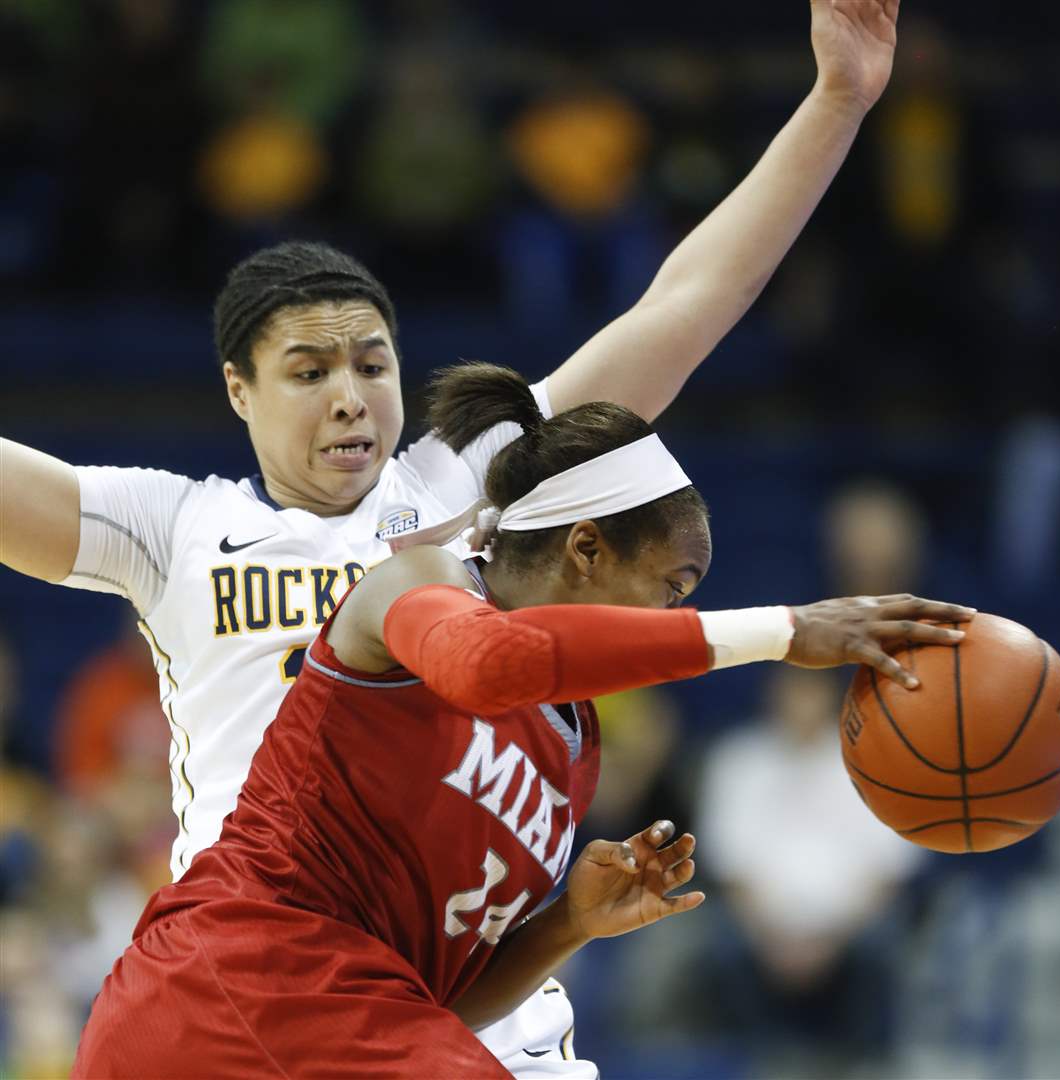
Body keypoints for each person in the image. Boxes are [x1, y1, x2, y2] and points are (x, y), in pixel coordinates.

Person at [0, 2, 903, 1071]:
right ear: (238, 392)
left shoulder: (468, 488)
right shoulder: (177, 524)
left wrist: (838, 100)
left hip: (463, 998)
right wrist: (778, 630)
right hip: (273, 978)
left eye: (372, 366)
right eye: (309, 372)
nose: (350, 398)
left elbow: (693, 300)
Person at [72, 366, 973, 1078]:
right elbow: (487, 664)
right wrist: (785, 630)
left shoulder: (574, 747)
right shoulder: (419, 582)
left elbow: (438, 1004)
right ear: (585, 547)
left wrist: (565, 926)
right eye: (671, 589)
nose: (669, 623)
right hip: (233, 987)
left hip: (331, 1024)